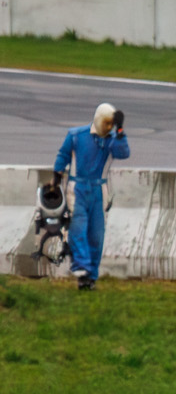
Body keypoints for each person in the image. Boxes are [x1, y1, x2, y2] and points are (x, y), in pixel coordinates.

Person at [51, 104, 130, 292]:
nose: (108, 127)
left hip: (99, 190)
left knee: (96, 235)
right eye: (107, 123)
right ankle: (82, 269)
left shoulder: (111, 140)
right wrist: (56, 176)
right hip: (77, 188)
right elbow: (63, 155)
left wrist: (120, 131)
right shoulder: (76, 135)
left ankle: (90, 277)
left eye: (111, 124)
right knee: (78, 229)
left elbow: (123, 153)